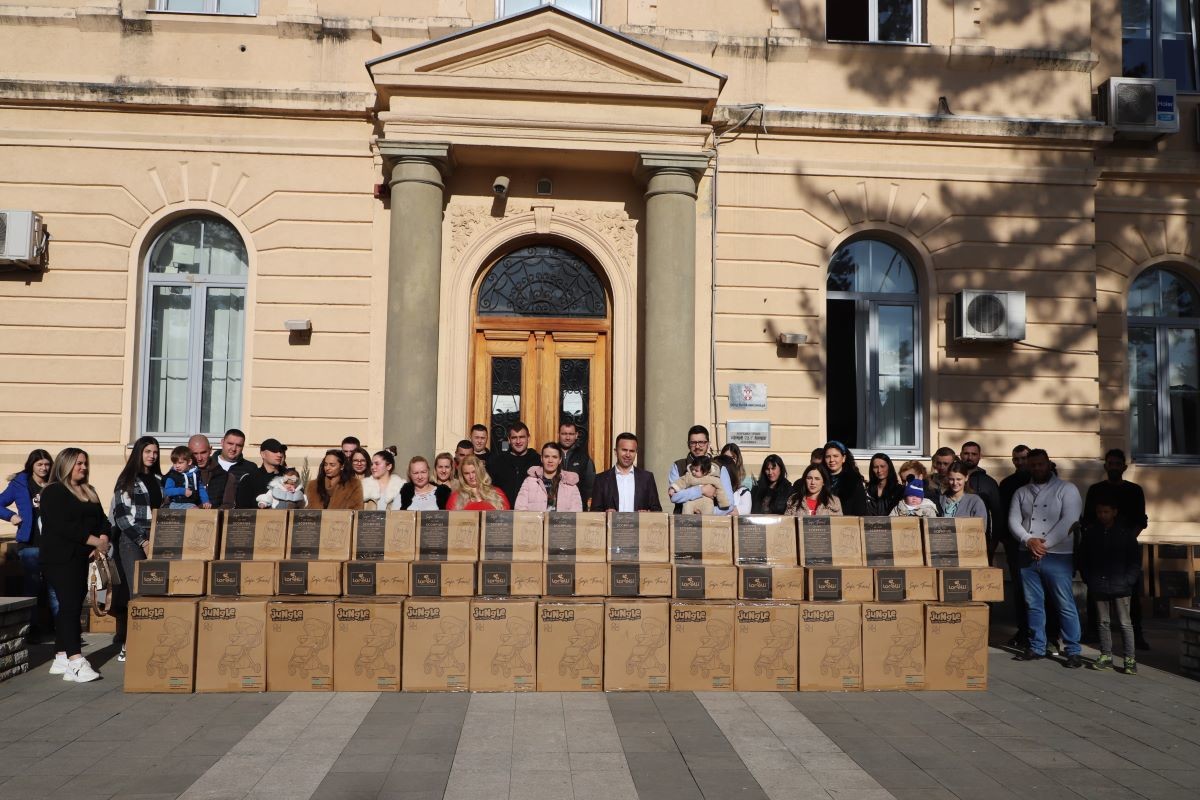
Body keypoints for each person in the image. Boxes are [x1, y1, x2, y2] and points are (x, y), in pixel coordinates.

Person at [40, 448, 111, 683]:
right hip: (60, 558)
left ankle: (61, 655)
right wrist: (94, 542)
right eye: (78, 463)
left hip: (84, 557)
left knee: (72, 605)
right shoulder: (54, 492)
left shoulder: (89, 491)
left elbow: (102, 520)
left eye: (85, 463)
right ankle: (76, 661)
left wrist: (103, 539)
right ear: (66, 464)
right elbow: (64, 526)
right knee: (69, 607)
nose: (83, 467)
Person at [1009, 449, 1084, 667]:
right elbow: (1013, 520)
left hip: (1058, 555)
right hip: (1027, 554)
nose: (1037, 468)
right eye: (1033, 465)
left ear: (1049, 464)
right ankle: (1036, 646)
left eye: (1041, 464)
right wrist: (1027, 540)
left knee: (1064, 603)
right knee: (1033, 603)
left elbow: (1070, 520)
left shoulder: (1066, 489)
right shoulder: (1021, 492)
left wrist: (1044, 545)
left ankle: (1073, 650)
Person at [1081, 448, 1149, 650]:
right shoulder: (1096, 490)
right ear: (1105, 466)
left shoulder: (1134, 490)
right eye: (1110, 464)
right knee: (1095, 591)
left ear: (1124, 467)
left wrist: (1127, 539)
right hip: (1099, 547)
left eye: (1117, 464)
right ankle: (1094, 631)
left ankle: (1137, 634)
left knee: (1130, 594)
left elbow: (1140, 520)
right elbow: (1089, 520)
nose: (1113, 467)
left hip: (1124, 549)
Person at [109, 436, 162, 662]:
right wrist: (143, 541)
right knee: (137, 592)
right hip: (132, 542)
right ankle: (128, 644)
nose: (152, 456)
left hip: (157, 540)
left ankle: (149, 640)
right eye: (147, 451)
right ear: (138, 453)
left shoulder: (160, 479)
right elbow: (122, 517)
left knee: (155, 591)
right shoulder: (127, 480)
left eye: (155, 452)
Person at [1077, 496, 1141, 674]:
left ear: (1114, 512)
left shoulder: (1125, 534)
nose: (1102, 515)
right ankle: (1106, 655)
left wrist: (1129, 580)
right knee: (1103, 621)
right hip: (1099, 584)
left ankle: (1130, 658)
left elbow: (1135, 561)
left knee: (1124, 622)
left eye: (1106, 512)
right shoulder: (1092, 533)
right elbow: (1083, 558)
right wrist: (1088, 578)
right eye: (1099, 512)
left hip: (1121, 584)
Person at [1, 449, 56, 635]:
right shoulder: (20, 483)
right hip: (29, 543)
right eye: (39, 464)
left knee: (54, 587)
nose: (44, 468)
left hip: (53, 544)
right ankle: (32, 629)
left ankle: (61, 630)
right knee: (32, 586)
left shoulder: (55, 483)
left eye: (47, 464)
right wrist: (11, 516)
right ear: (31, 465)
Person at [998, 444, 1033, 648]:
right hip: (1014, 544)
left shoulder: (1040, 481)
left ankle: (1043, 634)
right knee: (1020, 590)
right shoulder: (1008, 483)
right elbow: (1002, 513)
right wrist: (1005, 537)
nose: (1020, 462)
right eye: (1016, 459)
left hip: (1039, 543)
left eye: (1023, 458)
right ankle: (1022, 632)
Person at [668, 425, 735, 516]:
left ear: (708, 444)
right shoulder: (678, 466)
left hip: (711, 523)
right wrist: (701, 490)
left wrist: (708, 512)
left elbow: (729, 503)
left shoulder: (719, 467)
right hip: (684, 523)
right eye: (693, 442)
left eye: (701, 442)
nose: (697, 446)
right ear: (688, 444)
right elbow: (674, 497)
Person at [590, 433, 662, 512]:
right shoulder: (601, 479)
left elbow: (657, 509)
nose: (628, 455)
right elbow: (594, 512)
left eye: (631, 451)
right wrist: (606, 514)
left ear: (636, 453)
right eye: (624, 450)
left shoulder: (647, 478)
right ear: (615, 451)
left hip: (640, 524)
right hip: (611, 524)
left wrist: (647, 514)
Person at [959, 441, 1002, 561]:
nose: (970, 457)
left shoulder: (989, 483)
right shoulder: (952, 478)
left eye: (974, 454)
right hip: (955, 537)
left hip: (981, 539)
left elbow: (997, 514)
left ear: (979, 456)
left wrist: (994, 542)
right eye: (966, 453)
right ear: (961, 455)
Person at [515, 442, 584, 511]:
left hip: (561, 522)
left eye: (554, 457)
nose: (550, 460)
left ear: (560, 460)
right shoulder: (529, 482)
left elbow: (576, 514)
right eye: (547, 456)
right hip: (535, 522)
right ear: (541, 458)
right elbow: (520, 509)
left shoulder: (570, 484)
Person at [486, 422, 541, 507]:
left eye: (522, 437)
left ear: (528, 438)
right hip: (503, 512)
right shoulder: (498, 462)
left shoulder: (538, 460)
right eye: (514, 438)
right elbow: (489, 489)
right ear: (509, 440)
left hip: (531, 513)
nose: (518, 441)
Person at [233, 439, 288, 509]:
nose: (279, 455)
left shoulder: (289, 476)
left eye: (281, 451)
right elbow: (242, 509)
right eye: (274, 451)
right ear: (263, 454)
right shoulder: (249, 479)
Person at [823, 441, 867, 515]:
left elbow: (860, 510)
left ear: (843, 458)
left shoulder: (854, 481)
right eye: (828, 457)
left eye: (835, 456)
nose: (831, 460)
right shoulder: (819, 479)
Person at [559, 422, 596, 507]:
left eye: (571, 434)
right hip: (555, 506)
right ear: (559, 434)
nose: (567, 437)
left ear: (576, 435)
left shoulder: (584, 457)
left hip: (577, 506)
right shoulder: (552, 454)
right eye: (564, 434)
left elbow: (590, 487)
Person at [212, 429, 252, 509]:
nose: (233, 449)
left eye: (239, 445)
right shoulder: (208, 464)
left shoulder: (250, 468)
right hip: (208, 515)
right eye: (230, 443)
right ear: (222, 442)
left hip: (237, 516)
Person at [161, 445, 211, 510]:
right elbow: (167, 491)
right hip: (176, 504)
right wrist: (183, 491)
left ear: (189, 462)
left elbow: (200, 488)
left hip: (193, 503)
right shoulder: (172, 475)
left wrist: (206, 501)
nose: (177, 466)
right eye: (174, 463)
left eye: (180, 463)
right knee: (195, 510)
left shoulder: (195, 474)